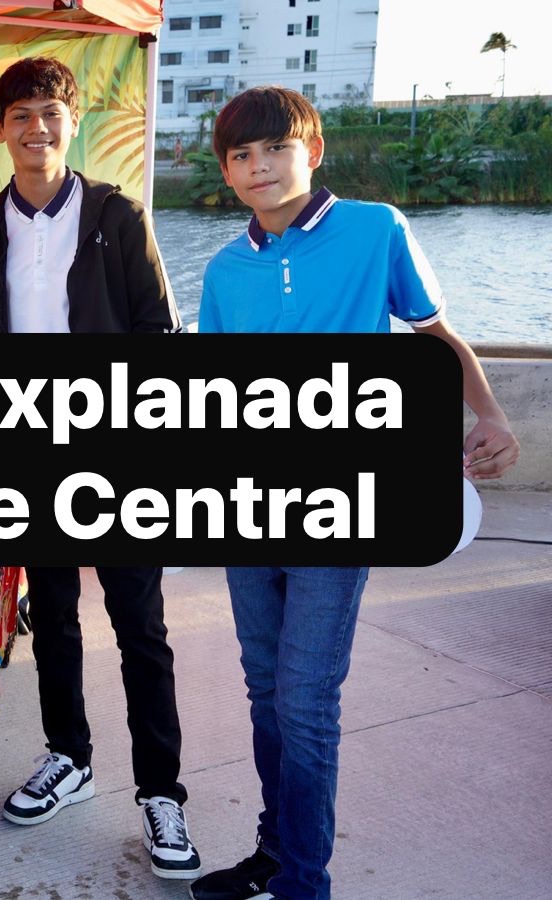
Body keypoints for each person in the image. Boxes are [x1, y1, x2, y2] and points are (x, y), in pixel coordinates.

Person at [192, 86, 519, 900]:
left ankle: (305, 884)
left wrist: (490, 414)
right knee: (266, 692)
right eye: (240, 155)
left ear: (312, 150)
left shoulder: (377, 229)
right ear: (226, 172)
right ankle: (276, 853)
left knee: (305, 703)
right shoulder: (224, 270)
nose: (259, 166)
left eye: (276, 147)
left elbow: (435, 336)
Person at [0, 57, 199, 881]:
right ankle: (68, 756)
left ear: (73, 121)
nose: (37, 128)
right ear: (0, 130)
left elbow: (158, 334)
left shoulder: (118, 215)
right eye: (20, 114)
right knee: (51, 615)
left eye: (50, 111)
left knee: (139, 625)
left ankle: (161, 793)